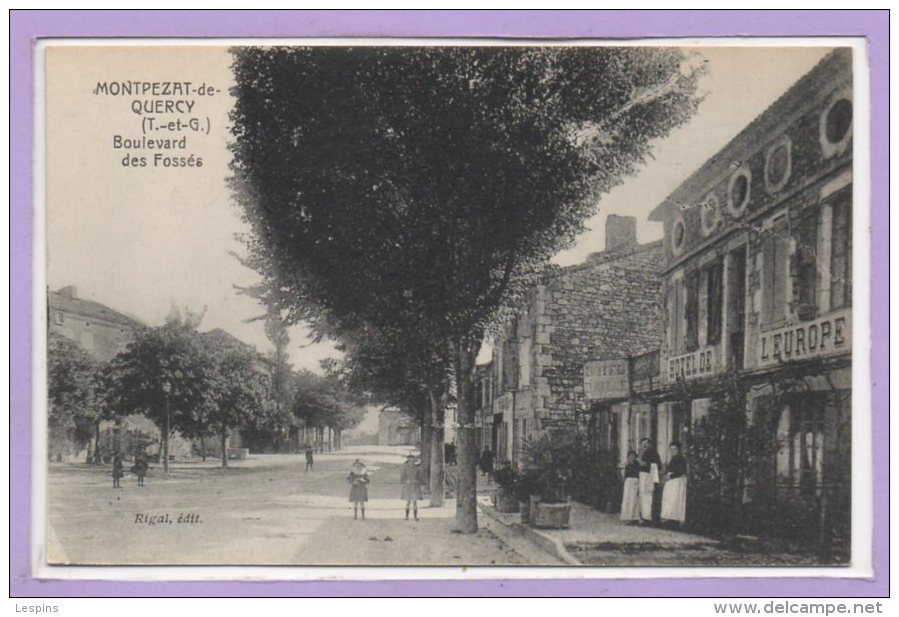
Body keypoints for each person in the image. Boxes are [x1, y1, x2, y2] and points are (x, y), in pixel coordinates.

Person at [661, 442, 688, 527]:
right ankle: (669, 518)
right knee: (669, 499)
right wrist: (666, 476)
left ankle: (678, 519)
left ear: (678, 450)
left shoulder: (682, 459)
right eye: (671, 449)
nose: (672, 451)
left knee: (677, 500)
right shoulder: (672, 459)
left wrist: (671, 476)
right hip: (671, 482)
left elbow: (681, 471)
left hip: (677, 481)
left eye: (674, 449)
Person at [638, 438, 661, 525]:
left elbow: (658, 464)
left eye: (647, 443)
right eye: (643, 443)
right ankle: (644, 517)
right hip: (642, 476)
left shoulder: (653, 453)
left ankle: (648, 518)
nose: (645, 445)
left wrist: (646, 464)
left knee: (648, 497)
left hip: (649, 476)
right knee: (643, 497)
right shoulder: (641, 453)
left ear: (650, 445)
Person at [400, 454, 424, 521]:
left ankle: (415, 517)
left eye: (412, 461)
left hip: (415, 487)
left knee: (414, 502)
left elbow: (421, 479)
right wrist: (405, 481)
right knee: (408, 502)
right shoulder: (405, 469)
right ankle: (406, 517)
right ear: (407, 461)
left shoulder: (417, 469)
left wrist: (416, 481)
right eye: (409, 461)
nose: (411, 462)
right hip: (407, 487)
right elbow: (401, 479)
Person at [620, 450, 641, 524]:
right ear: (628, 457)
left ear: (635, 457)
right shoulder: (627, 465)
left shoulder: (637, 465)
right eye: (630, 456)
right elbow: (625, 475)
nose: (631, 458)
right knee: (627, 499)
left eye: (633, 456)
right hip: (627, 483)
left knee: (633, 499)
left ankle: (633, 517)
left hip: (634, 482)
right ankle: (626, 517)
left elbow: (638, 474)